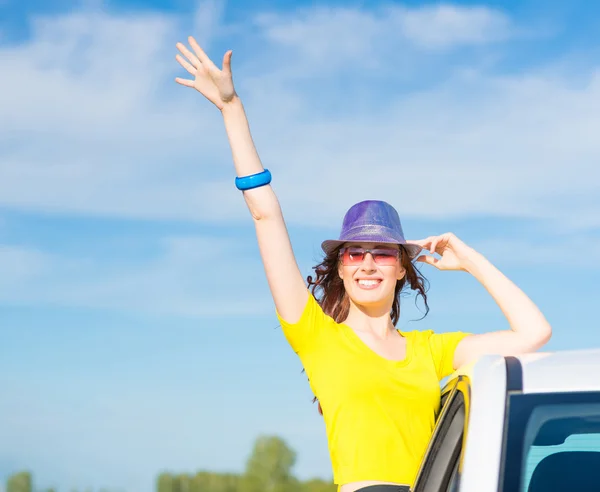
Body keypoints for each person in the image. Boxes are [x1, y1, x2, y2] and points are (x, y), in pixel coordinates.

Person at [174, 36, 552, 492]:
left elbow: (534, 334)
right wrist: (231, 110)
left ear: (401, 269)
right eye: (355, 252)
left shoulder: (429, 351)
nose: (368, 263)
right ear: (340, 267)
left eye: (384, 253)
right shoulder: (315, 337)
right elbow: (264, 213)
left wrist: (471, 260)